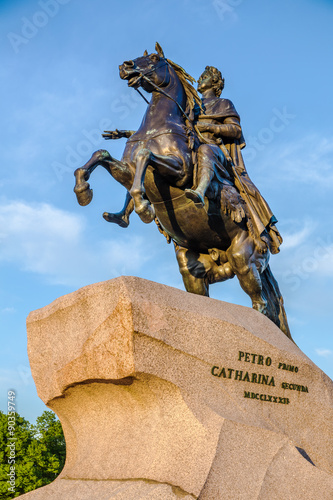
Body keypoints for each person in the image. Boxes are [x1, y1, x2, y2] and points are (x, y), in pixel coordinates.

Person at [185, 66, 282, 254]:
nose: (199, 79)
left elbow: (235, 130)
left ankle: (200, 190)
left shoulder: (223, 103)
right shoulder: (190, 105)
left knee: (205, 150)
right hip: (191, 149)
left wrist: (209, 127)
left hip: (215, 151)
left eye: (204, 77)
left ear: (214, 83)